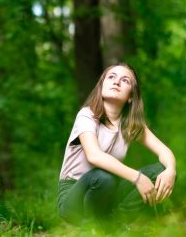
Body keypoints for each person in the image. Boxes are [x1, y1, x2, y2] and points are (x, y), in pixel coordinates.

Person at [58, 63, 176, 229]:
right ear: (102, 86)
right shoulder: (87, 115)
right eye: (111, 77)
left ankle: (115, 224)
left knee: (160, 171)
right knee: (102, 177)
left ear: (130, 97)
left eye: (125, 80)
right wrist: (137, 178)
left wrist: (171, 169)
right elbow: (94, 156)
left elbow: (164, 151)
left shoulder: (130, 125)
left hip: (108, 194)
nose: (116, 82)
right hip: (73, 196)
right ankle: (93, 227)